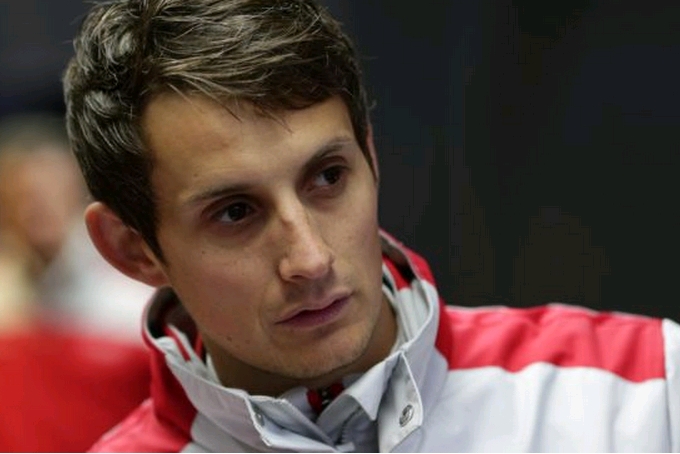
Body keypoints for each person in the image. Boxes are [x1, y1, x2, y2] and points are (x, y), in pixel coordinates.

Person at [62, 0, 680, 451]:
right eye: (235, 212)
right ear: (133, 249)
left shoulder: (647, 392)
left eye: (328, 177)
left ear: (371, 155)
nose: (310, 259)